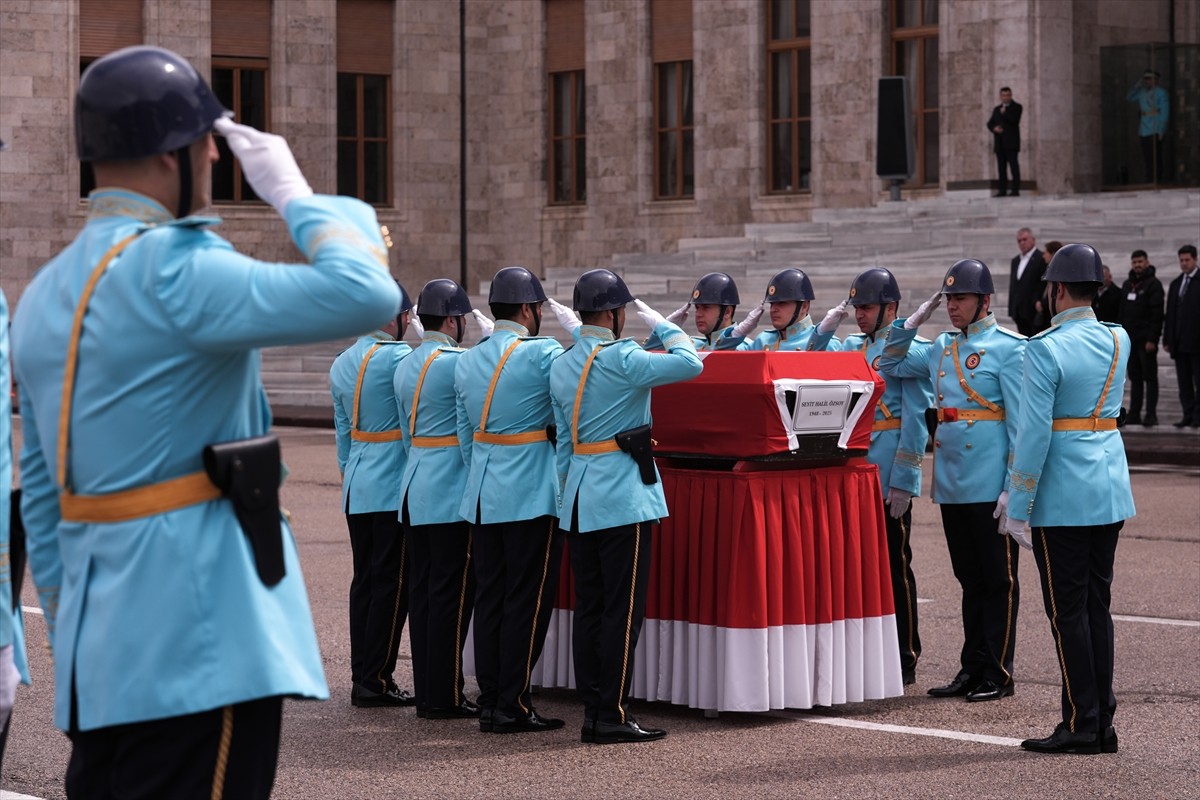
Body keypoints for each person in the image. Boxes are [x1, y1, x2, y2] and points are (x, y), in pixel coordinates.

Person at [10, 46, 400, 797]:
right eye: (206, 142)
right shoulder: (177, 269)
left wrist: (75, 648)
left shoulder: (44, 292)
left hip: (106, 652)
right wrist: (293, 194)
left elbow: (44, 496)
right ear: (171, 155)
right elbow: (367, 293)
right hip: (200, 640)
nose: (218, 156)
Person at [548, 269, 702, 744]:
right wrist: (667, 326)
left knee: (590, 608)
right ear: (615, 314)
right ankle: (610, 714)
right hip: (621, 498)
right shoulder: (625, 357)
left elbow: (564, 445)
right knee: (622, 610)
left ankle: (595, 708)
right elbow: (691, 362)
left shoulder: (563, 362)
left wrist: (564, 495)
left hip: (578, 496)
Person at [1003, 243, 1135, 755]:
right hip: (1108, 487)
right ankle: (1101, 718)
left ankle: (1083, 721)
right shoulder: (1117, 338)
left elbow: (1034, 435)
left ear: (1056, 289)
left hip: (1063, 496)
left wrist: (1018, 501)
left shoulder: (1046, 347)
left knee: (1068, 611)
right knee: (1096, 606)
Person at [878, 258, 1024, 704]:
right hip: (955, 482)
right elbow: (890, 360)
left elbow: (1021, 424)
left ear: (984, 301)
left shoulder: (1011, 348)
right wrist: (907, 323)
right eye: (948, 299)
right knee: (969, 579)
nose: (952, 307)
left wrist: (1013, 486)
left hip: (990, 482)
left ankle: (997, 672)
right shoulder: (942, 346)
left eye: (959, 299)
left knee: (998, 580)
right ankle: (971, 667)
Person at [453, 266, 566, 734]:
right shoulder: (543, 352)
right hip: (529, 494)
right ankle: (512, 704)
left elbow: (465, 437)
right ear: (528, 309)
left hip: (482, 492)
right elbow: (567, 411)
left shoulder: (467, 360)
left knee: (492, 598)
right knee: (527, 601)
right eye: (538, 309)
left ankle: (492, 696)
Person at [394, 279, 482, 720]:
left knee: (424, 593)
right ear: (452, 319)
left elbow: (407, 432)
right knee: (451, 594)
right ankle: (444, 694)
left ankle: (428, 689)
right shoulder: (457, 363)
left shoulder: (406, 363)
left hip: (414, 483)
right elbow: (467, 433)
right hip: (448, 486)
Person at [842, 268, 933, 686]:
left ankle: (904, 653)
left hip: (885, 473)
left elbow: (916, 418)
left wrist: (905, 479)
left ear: (891, 308)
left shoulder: (910, 350)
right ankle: (868, 652)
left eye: (867, 307)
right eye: (857, 307)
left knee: (895, 566)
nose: (859, 314)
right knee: (856, 568)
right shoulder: (851, 349)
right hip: (853, 470)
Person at [330, 282, 417, 709]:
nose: (407, 323)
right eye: (405, 316)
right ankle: (376, 679)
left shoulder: (343, 362)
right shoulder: (401, 358)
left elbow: (343, 434)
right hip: (391, 483)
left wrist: (351, 474)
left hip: (358, 483)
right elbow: (409, 425)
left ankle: (363, 673)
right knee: (390, 583)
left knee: (364, 580)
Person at [736, 268, 845, 352]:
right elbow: (726, 366)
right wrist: (736, 335)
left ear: (804, 307)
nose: (773, 309)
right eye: (772, 304)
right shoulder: (762, 341)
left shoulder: (827, 344)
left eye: (782, 303)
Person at [1117, 249, 1165, 426]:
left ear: (1147, 262)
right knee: (1135, 378)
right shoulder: (1127, 285)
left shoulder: (1153, 284)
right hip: (1130, 341)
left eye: (1140, 262)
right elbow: (1122, 312)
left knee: (1150, 377)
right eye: (1134, 262)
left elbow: (1157, 314)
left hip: (1146, 341)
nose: (1137, 265)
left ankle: (1151, 414)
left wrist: (1153, 338)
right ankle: (1135, 413)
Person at [646, 272, 747, 351]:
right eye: (697, 308)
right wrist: (666, 329)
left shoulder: (745, 348)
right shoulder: (692, 345)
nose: (698, 314)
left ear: (727, 312)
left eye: (706, 307)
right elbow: (650, 354)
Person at [1163, 244, 1200, 428]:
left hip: (1196, 343)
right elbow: (1170, 314)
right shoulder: (1177, 283)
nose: (1184, 264)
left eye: (1187, 260)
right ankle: (1187, 414)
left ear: (1195, 259)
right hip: (1179, 343)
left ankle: (1198, 416)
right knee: (1184, 383)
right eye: (1181, 260)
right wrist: (1167, 339)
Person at [1126, 69, 1169, 184]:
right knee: (1147, 157)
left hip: (1155, 127)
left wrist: (1162, 129)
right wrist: (1136, 86)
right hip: (1144, 129)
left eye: (1149, 79)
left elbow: (1165, 111)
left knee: (1156, 157)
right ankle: (1149, 179)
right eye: (1145, 79)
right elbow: (1129, 97)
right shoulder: (1141, 92)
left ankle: (1156, 179)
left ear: (1156, 80)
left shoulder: (1161, 92)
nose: (1147, 81)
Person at [1008, 227, 1047, 336]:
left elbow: (1043, 283)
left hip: (1033, 310)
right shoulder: (1015, 261)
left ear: (1033, 239)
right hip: (1018, 311)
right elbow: (1014, 285)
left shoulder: (1041, 258)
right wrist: (1012, 308)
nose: (1022, 243)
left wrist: (1038, 302)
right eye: (1019, 241)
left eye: (1025, 239)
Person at [987, 87, 1023, 197]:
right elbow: (989, 123)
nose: (1006, 97)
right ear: (1000, 96)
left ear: (1011, 95)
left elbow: (1014, 120)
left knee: (1014, 167)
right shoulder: (997, 109)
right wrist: (994, 129)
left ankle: (1015, 190)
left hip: (1011, 144)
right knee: (1001, 169)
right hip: (1000, 144)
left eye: (1008, 95)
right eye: (1003, 95)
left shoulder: (1017, 107)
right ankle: (1002, 190)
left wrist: (1005, 113)